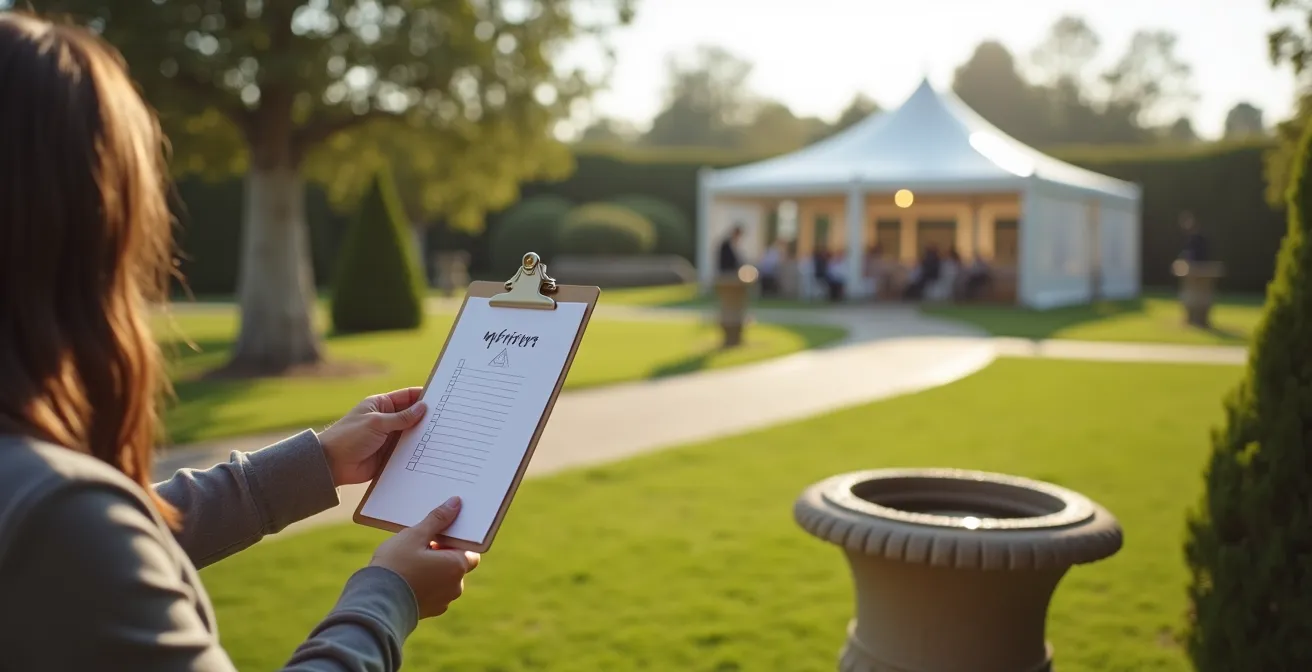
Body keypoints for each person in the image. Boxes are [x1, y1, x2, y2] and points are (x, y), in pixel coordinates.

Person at [0, 14, 477, 670]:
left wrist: (319, 462)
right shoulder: (55, 511)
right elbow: (85, 535)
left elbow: (134, 525)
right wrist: (386, 597)